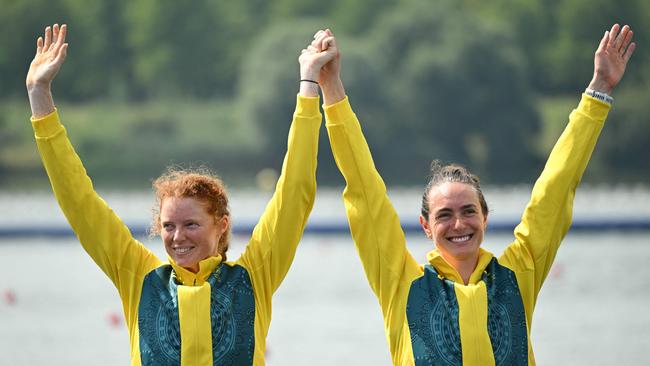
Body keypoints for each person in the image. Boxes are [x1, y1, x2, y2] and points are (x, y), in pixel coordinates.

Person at [312, 24, 636, 365]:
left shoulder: (518, 274)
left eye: (468, 211)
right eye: (444, 215)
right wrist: (330, 86)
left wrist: (599, 89)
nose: (458, 224)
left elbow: (556, 187)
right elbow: (365, 191)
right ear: (425, 225)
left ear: (484, 216)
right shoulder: (402, 283)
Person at [26, 24, 334, 365]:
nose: (177, 236)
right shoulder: (138, 278)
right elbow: (78, 200)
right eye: (169, 225)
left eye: (190, 224)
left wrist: (309, 83)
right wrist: (39, 95)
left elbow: (295, 192)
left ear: (221, 225)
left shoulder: (254, 276)